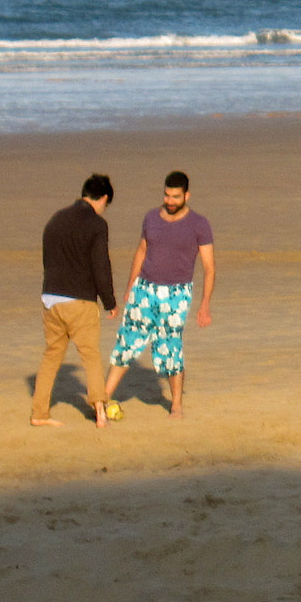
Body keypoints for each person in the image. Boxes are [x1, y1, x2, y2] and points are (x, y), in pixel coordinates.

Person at [102, 170, 214, 419]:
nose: (170, 201)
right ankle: (103, 397)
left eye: (175, 196)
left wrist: (204, 304)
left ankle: (176, 405)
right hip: (144, 289)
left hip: (177, 294)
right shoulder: (151, 217)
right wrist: (131, 285)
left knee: (170, 348)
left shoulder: (199, 224)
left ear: (187, 195)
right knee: (126, 343)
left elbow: (209, 266)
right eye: (166, 195)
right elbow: (141, 250)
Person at [33, 173, 117, 428]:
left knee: (51, 356)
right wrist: (109, 301)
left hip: (50, 298)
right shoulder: (96, 224)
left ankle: (39, 413)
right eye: (106, 204)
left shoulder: (56, 219)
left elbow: (48, 259)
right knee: (90, 354)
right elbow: (101, 265)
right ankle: (100, 412)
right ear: (103, 198)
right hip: (79, 300)